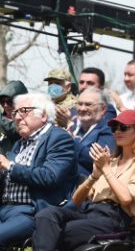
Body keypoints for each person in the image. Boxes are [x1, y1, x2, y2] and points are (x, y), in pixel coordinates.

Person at [31, 110, 135, 251]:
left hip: (115, 218)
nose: (117, 132)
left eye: (123, 127)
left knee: (62, 231)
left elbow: (126, 198)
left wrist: (106, 169)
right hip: (90, 212)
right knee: (46, 215)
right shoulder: (111, 162)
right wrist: (94, 176)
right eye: (114, 128)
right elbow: (76, 200)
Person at [0, 93, 77, 247]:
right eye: (15, 112)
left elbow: (50, 177)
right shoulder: (20, 143)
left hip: (31, 212)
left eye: (24, 111)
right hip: (5, 207)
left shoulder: (58, 138)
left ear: (43, 115)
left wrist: (9, 166)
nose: (17, 117)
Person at [73, 87, 116, 177]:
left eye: (88, 105)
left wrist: (71, 142)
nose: (82, 108)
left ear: (103, 109)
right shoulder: (72, 128)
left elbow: (99, 162)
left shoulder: (108, 130)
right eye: (79, 104)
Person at [0, 80, 27, 153]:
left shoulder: (29, 117)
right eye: (2, 101)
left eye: (10, 101)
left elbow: (13, 130)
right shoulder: (3, 119)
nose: (5, 105)